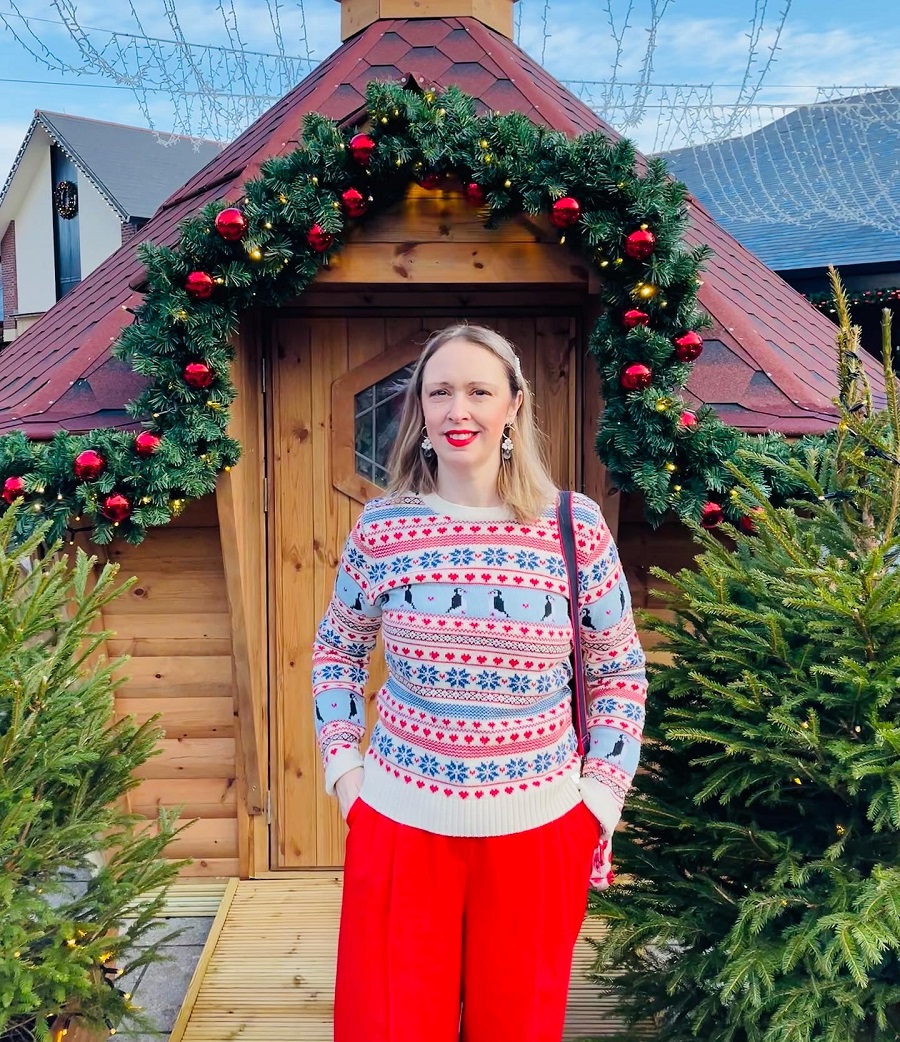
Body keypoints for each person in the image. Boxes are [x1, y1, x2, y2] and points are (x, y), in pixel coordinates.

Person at [312, 324, 647, 1042]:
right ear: (420, 411)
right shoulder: (384, 529)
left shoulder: (573, 527)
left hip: (539, 834)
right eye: (440, 391)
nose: (457, 408)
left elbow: (621, 669)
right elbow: (336, 651)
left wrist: (599, 801)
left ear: (513, 406)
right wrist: (347, 777)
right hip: (398, 828)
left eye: (478, 390)